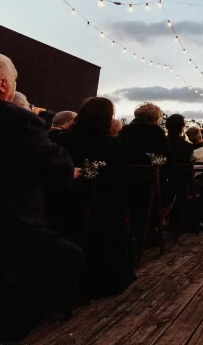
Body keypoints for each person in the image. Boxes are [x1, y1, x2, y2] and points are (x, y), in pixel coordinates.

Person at [0, 52, 83, 341]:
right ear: (2, 84)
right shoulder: (14, 121)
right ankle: (2, 328)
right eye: (13, 80)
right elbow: (59, 169)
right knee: (68, 257)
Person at [58, 97, 135, 297]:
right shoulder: (111, 145)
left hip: (63, 209)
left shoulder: (62, 140)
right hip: (103, 215)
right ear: (107, 119)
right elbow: (123, 182)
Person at [118, 102, 176, 219]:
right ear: (155, 118)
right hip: (149, 186)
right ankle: (153, 224)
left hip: (123, 184)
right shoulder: (156, 132)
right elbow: (170, 161)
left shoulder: (123, 131)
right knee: (172, 191)